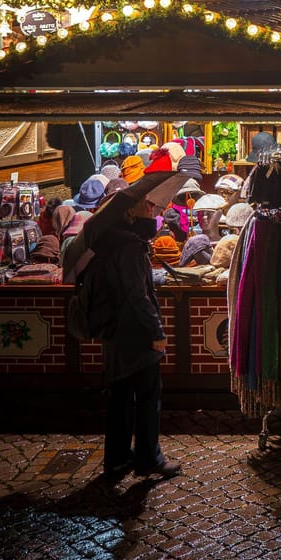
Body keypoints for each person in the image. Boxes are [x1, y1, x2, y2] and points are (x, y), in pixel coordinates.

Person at [80, 187, 180, 480]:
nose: (152, 209)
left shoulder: (110, 242)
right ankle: (149, 458)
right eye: (145, 205)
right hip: (135, 332)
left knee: (120, 397)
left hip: (115, 330)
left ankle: (118, 459)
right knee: (148, 397)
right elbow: (138, 296)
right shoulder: (131, 247)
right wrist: (156, 330)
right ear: (131, 212)